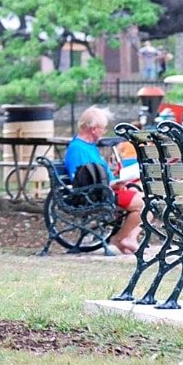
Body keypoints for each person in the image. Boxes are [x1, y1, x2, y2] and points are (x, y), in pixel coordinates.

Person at [64, 106, 144, 255]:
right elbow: (83, 180)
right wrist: (112, 184)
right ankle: (121, 238)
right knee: (145, 203)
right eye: (103, 128)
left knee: (151, 199)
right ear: (94, 129)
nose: (104, 132)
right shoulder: (78, 149)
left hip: (107, 189)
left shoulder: (88, 146)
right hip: (98, 195)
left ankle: (129, 238)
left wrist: (118, 182)